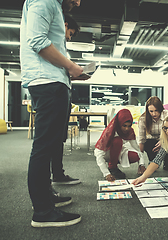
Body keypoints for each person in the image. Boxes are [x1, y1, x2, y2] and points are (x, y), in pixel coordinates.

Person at [21, 0, 83, 227]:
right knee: (44, 147)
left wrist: (68, 69)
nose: (77, 2)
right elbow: (37, 40)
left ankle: (45, 199)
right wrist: (71, 66)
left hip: (53, 81)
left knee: (50, 145)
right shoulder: (45, 0)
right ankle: (43, 212)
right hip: (47, 81)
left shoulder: (54, 5)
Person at [51, 13, 81, 185]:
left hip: (63, 89)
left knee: (59, 137)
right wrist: (71, 67)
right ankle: (48, 183)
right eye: (70, 33)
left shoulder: (60, 47)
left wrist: (74, 75)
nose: (69, 38)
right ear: (65, 24)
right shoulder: (52, 43)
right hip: (54, 91)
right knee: (51, 139)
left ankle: (58, 173)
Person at [95, 109, 146, 180]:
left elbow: (137, 149)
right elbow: (99, 155)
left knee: (135, 156)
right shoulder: (110, 131)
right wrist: (106, 173)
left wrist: (141, 164)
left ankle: (114, 166)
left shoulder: (130, 131)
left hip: (118, 152)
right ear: (119, 123)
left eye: (129, 126)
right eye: (124, 126)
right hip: (106, 153)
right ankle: (112, 167)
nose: (126, 129)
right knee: (117, 141)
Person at [138, 96, 168, 170]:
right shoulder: (143, 119)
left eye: (156, 110)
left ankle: (166, 159)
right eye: (151, 111)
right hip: (152, 141)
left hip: (167, 139)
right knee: (148, 143)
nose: (154, 114)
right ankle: (152, 161)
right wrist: (140, 163)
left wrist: (163, 141)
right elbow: (141, 139)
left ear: (160, 109)